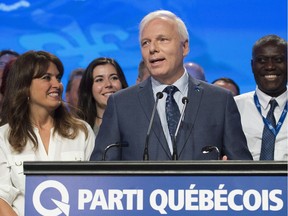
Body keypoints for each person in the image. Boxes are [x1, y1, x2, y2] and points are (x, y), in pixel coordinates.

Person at [90, 10, 252, 161]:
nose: (152, 49)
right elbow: (101, 172)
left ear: (185, 46)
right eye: (145, 43)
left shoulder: (219, 100)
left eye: (162, 40)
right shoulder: (121, 104)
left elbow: (243, 169)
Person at [0, 50, 95, 215]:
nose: (57, 84)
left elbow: (95, 192)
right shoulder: (4, 137)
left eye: (58, 78)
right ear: (25, 85)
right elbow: (1, 198)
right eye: (46, 78)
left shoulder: (82, 132)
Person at [235, 34, 287, 160]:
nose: (270, 67)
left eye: (278, 60)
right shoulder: (233, 107)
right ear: (252, 65)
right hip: (244, 179)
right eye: (262, 60)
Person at [77, 57, 128, 136]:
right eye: (99, 80)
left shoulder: (137, 123)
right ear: (89, 88)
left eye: (114, 78)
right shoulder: (80, 131)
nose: (108, 84)